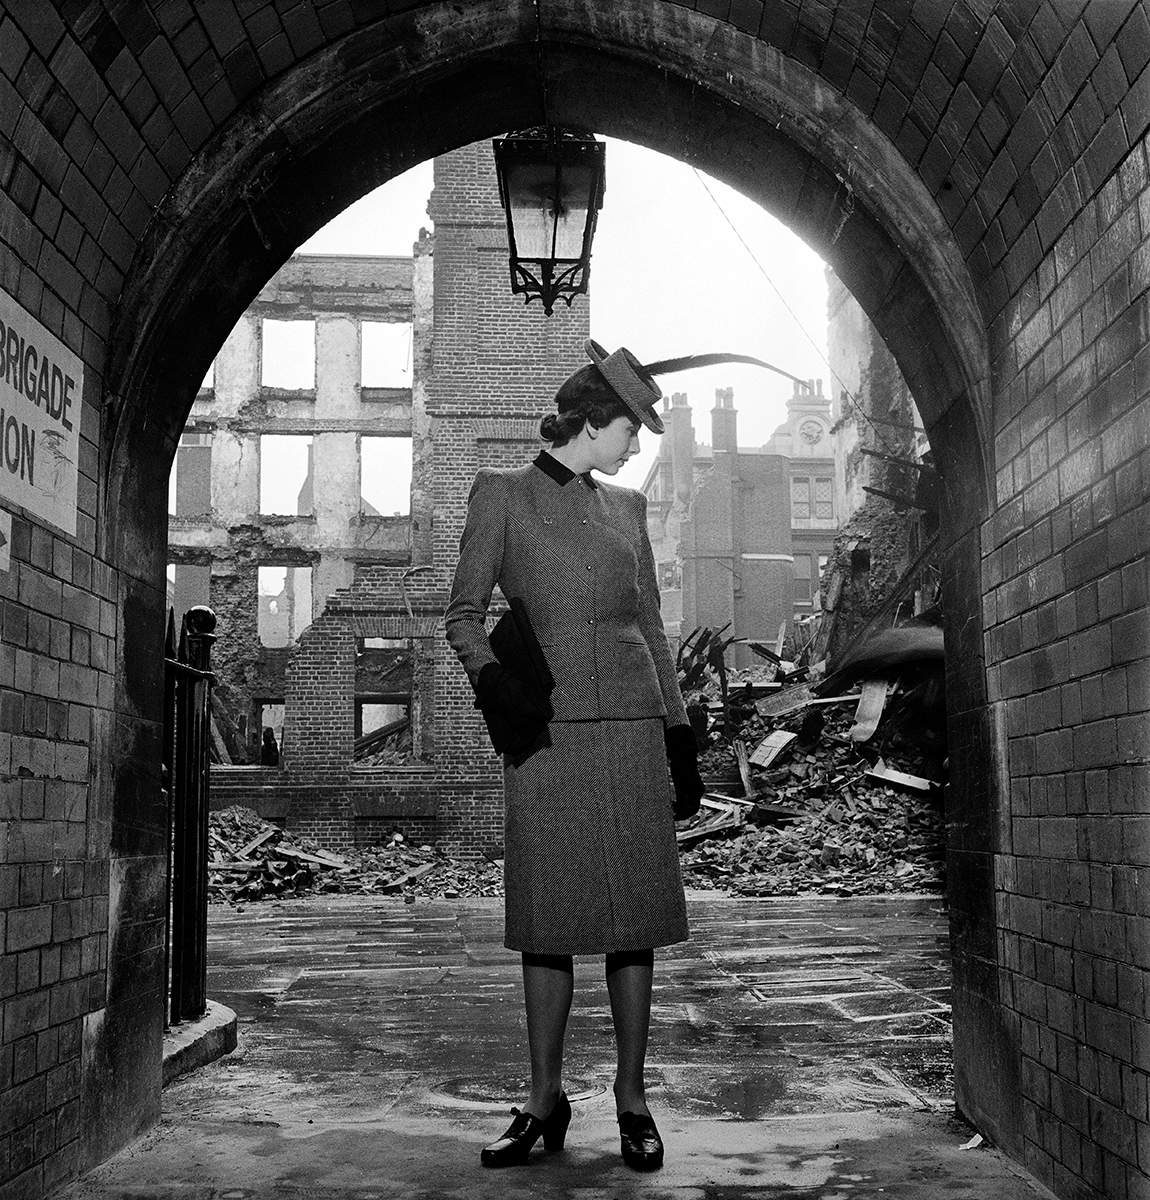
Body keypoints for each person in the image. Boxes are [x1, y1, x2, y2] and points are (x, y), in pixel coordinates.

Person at [444, 339, 716, 1171]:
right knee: (547, 926)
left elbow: (655, 630)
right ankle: (543, 1102)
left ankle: (633, 1100)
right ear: (592, 422)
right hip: (549, 735)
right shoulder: (500, 497)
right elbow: (461, 614)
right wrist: (497, 684)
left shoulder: (628, 509)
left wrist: (677, 736)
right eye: (630, 427)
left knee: (634, 923)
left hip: (633, 730)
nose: (636, 443)